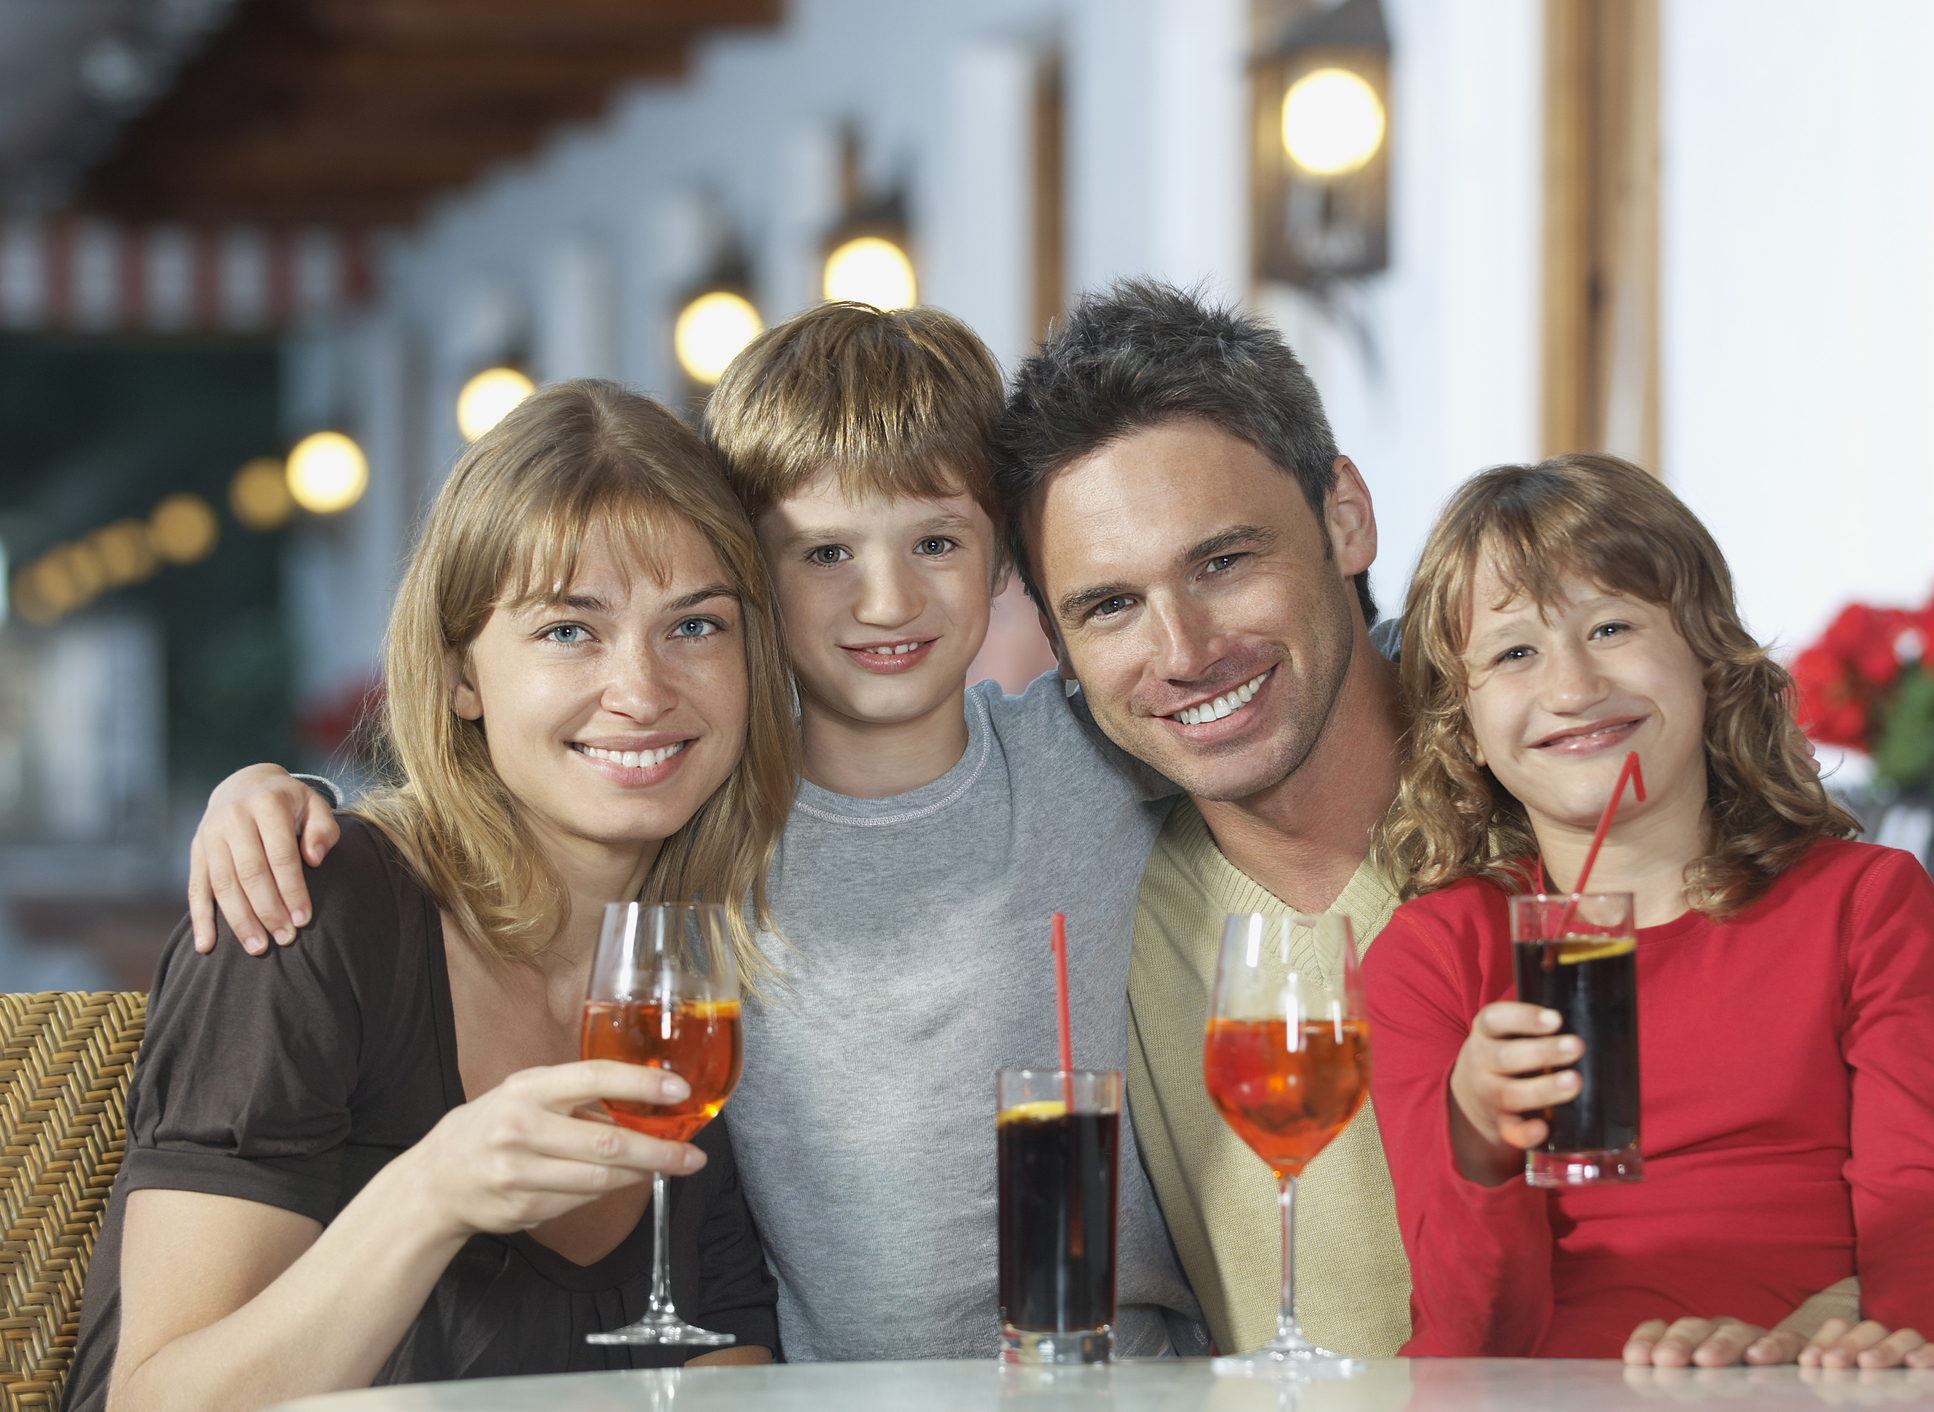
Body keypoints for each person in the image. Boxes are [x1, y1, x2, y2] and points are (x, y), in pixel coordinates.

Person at [992, 280, 1934, 1366]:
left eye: (1223, 561)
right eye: (1109, 606)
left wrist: (1809, 1349)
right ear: (1061, 644)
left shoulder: (1580, 779)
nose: (1183, 652)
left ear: (1344, 516)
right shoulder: (1106, 879)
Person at [177, 302, 1205, 1361]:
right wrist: (277, 793)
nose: (888, 597)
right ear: (758, 583)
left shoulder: (1096, 753)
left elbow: (1310, 689)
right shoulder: (711, 830)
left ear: (1003, 562)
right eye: (824, 554)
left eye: (937, 541)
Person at [63, 381, 792, 1412]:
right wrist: (430, 1190)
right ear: (461, 674)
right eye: (569, 631)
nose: (641, 687)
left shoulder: (695, 968)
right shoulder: (303, 912)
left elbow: (724, 1363)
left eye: (697, 625)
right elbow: (153, 1399)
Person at [1364, 454, 1934, 1364]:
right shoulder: (1435, 955)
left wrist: (1895, 1364)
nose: (1573, 688)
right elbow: (1474, 1339)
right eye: (1513, 652)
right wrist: (1476, 1136)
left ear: (1706, 658)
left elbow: (1930, 1219)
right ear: (1464, 729)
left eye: (1612, 625)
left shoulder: (1865, 904)